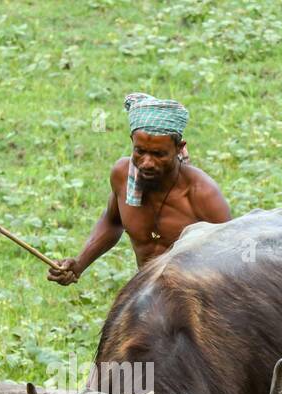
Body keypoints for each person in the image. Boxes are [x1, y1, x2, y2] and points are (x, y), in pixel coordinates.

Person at [48, 93, 231, 285]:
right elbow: (112, 222)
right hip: (147, 292)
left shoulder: (201, 193)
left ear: (179, 148)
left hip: (195, 295)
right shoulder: (122, 177)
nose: (146, 163)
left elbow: (231, 256)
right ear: (132, 142)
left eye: (158, 154)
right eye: (140, 151)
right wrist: (79, 264)